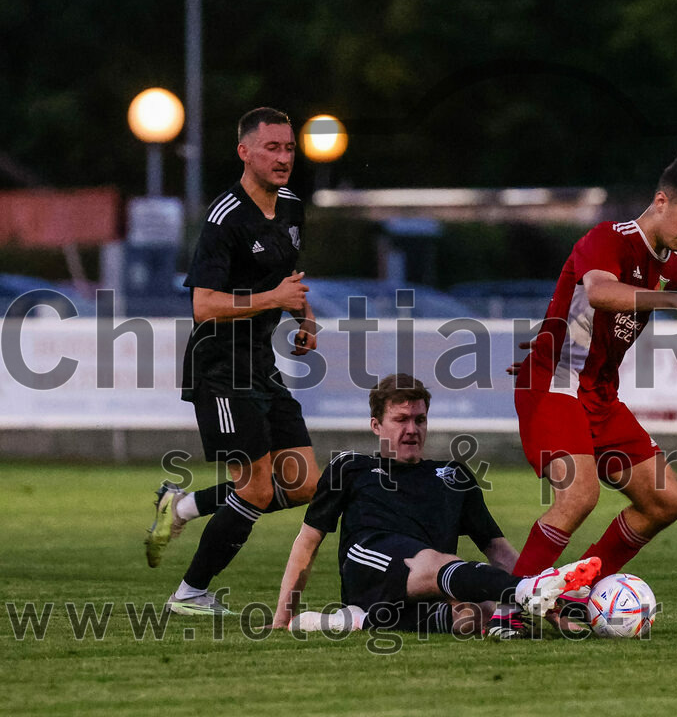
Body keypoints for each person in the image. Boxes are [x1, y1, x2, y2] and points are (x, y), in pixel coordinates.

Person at [509, 155, 677, 596]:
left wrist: (552, 330)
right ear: (661, 201)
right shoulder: (609, 236)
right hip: (557, 384)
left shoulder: (671, 268)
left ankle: (575, 590)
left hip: (599, 396)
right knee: (579, 496)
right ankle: (508, 605)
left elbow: (579, 307)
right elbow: (599, 291)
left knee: (666, 501)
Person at [145, 107, 321, 615]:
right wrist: (273, 299)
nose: (284, 158)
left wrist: (304, 319)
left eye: (289, 148)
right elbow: (203, 305)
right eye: (272, 148)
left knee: (304, 482)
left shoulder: (289, 204)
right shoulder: (225, 218)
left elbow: (290, 276)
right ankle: (190, 593)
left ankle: (182, 506)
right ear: (244, 152)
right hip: (220, 367)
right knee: (259, 487)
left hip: (260, 363)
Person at [271, 373, 601, 636]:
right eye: (401, 420)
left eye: (420, 420)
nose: (412, 429)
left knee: (475, 614)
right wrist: (282, 616)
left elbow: (498, 550)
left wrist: (544, 599)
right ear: (376, 426)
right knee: (434, 561)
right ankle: (528, 591)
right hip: (371, 569)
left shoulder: (453, 475)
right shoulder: (351, 468)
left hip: (433, 583)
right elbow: (308, 541)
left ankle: (363, 621)